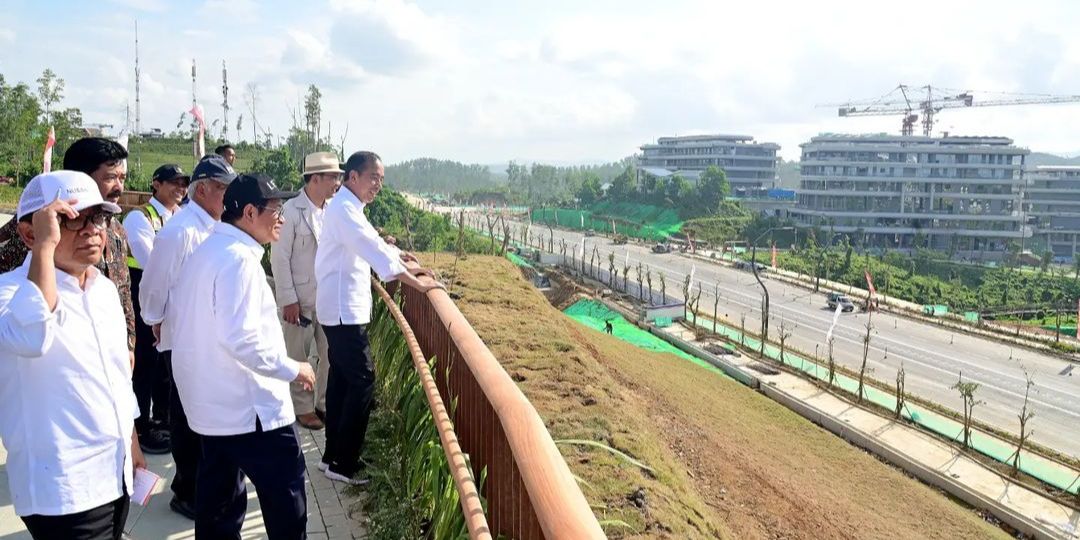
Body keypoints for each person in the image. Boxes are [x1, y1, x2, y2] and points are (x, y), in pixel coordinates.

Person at [169, 173, 315, 538]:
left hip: (212, 408)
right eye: (275, 210)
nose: (280, 218)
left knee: (219, 507)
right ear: (250, 213)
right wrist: (294, 368)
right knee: (287, 501)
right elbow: (244, 341)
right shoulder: (239, 261)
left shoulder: (209, 251)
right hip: (250, 410)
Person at [0, 171, 144, 540]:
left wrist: (131, 439)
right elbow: (33, 336)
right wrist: (45, 251)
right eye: (69, 218)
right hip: (64, 489)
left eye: (97, 217)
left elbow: (116, 377)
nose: (91, 229)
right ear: (31, 233)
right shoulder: (9, 292)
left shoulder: (103, 289)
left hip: (114, 474)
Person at [315, 151, 443, 485]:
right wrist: (416, 280)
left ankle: (332, 456)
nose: (378, 186)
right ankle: (344, 463)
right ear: (353, 177)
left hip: (340, 307)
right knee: (362, 380)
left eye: (381, 180)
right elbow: (369, 245)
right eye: (373, 177)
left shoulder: (349, 207)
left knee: (343, 381)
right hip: (343, 310)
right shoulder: (344, 209)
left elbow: (372, 242)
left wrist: (400, 257)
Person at [138, 154, 235, 520]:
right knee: (187, 419)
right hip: (182, 340)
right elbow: (153, 285)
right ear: (203, 189)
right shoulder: (179, 231)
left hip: (211, 340)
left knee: (204, 416)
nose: (228, 196)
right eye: (223, 188)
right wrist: (156, 319)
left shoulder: (217, 226)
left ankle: (201, 485)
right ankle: (186, 490)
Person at [0, 138, 137, 366]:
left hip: (103, 349)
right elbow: (24, 324)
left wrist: (128, 342)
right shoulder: (33, 228)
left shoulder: (116, 230)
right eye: (110, 177)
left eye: (122, 178)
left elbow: (123, 289)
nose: (119, 187)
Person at [270, 152, 342, 430]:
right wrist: (288, 299)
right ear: (315, 179)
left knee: (330, 353)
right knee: (298, 354)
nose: (337, 181)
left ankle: (323, 402)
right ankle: (302, 407)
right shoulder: (291, 211)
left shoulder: (332, 211)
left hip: (327, 298)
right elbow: (279, 257)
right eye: (332, 176)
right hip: (299, 298)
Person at [123, 164, 189, 455]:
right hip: (144, 301)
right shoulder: (140, 218)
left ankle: (162, 418)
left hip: (173, 302)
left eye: (183, 182)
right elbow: (152, 263)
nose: (179, 187)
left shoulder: (181, 218)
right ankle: (141, 427)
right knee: (145, 366)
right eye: (173, 182)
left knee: (166, 367)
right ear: (155, 184)